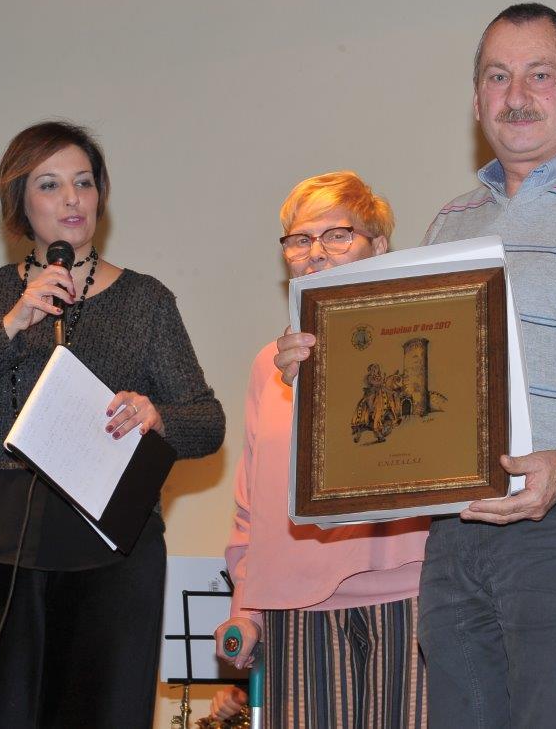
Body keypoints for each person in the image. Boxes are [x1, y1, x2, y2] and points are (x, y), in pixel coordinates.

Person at [276, 4, 556, 726]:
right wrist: (321, 373)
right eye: (497, 76)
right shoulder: (451, 224)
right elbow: (409, 385)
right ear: (476, 98)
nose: (516, 95)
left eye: (539, 75)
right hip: (457, 537)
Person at [0, 120, 224, 728]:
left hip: (110, 545)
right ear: (20, 202)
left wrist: (158, 416)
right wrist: (12, 323)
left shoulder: (146, 301)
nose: (72, 199)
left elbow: (207, 423)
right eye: (50, 184)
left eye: (84, 182)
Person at [215, 172, 429, 728]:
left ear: (377, 248)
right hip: (294, 605)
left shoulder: (416, 344)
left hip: (409, 594)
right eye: (299, 240)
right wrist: (246, 609)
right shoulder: (267, 366)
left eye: (337, 235)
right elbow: (252, 505)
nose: (314, 253)